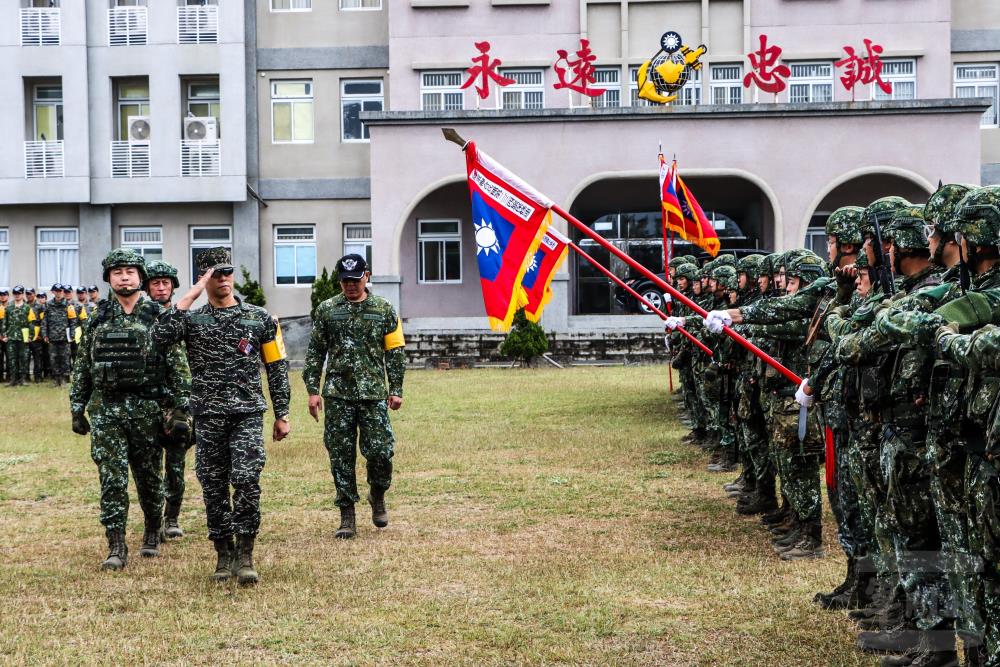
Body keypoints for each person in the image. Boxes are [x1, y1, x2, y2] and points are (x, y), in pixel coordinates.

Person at [151, 247, 290, 585]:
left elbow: (276, 366)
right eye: (216, 273)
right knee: (213, 486)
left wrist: (282, 412)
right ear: (204, 277)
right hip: (208, 416)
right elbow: (157, 338)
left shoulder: (259, 318)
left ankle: (245, 553)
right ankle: (223, 554)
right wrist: (190, 295)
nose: (224, 278)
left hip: (247, 414)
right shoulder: (192, 320)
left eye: (228, 271)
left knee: (246, 481)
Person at [69, 249, 191, 571]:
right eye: (117, 272)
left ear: (140, 277)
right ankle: (116, 544)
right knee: (112, 478)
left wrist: (181, 409)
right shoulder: (98, 318)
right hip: (107, 410)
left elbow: (178, 367)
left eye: (130, 272)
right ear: (109, 278)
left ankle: (152, 529)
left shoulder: (159, 317)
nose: (124, 277)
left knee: (149, 479)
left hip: (147, 411)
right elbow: (83, 366)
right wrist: (77, 407)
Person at [303, 253, 406, 540]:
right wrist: (313, 390)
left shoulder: (385, 309)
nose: (350, 285)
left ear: (367, 277)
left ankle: (378, 492)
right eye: (346, 281)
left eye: (355, 280)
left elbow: (395, 352)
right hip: (338, 395)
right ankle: (347, 515)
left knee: (381, 452)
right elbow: (314, 354)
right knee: (340, 456)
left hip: (373, 394)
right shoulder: (327, 311)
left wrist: (396, 389)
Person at [144, 260, 193, 539]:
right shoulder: (140, 319)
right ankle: (153, 519)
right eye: (155, 283)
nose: (161, 288)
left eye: (165, 283)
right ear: (147, 287)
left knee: (175, 465)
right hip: (148, 402)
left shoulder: (185, 319)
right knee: (149, 466)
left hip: (178, 403)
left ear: (173, 286)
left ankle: (172, 517)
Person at [42, 284, 77, 387]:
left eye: (60, 291)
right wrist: (45, 335)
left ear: (63, 292)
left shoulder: (69, 305)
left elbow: (73, 321)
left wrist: (71, 335)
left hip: (64, 337)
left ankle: (64, 379)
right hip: (52, 337)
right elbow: (45, 321)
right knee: (53, 359)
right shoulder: (48, 305)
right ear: (53, 292)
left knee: (65, 358)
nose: (58, 293)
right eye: (56, 291)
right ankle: (56, 379)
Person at [5, 285, 35, 386]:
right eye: (15, 294)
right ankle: (13, 380)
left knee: (24, 358)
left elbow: (31, 322)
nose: (17, 295)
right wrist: (4, 334)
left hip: (23, 338)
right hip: (11, 337)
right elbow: (5, 322)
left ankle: (23, 379)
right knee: (12, 359)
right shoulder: (9, 307)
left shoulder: (27, 308)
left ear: (22, 294)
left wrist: (31, 335)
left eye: (19, 293)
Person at [0, 288, 7, 383]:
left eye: (4, 294)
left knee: (10, 357)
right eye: (1, 295)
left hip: (8, 337)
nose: (2, 296)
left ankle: (10, 376)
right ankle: (0, 377)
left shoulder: (11, 306)